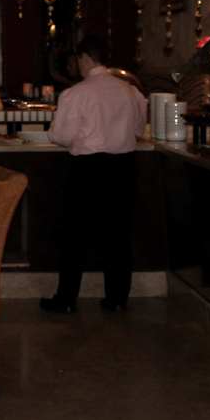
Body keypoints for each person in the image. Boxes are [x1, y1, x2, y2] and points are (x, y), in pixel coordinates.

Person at [41, 34, 148, 314]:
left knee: (74, 236)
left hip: (87, 169)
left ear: (84, 58)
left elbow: (61, 136)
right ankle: (117, 299)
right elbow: (139, 129)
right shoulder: (131, 91)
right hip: (123, 167)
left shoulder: (76, 94)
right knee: (119, 236)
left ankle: (66, 299)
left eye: (77, 59)